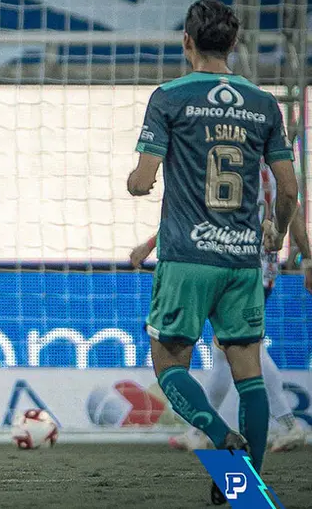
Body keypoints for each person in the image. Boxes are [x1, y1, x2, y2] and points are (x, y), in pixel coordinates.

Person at [127, 0, 298, 505]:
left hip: (186, 258)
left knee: (169, 365)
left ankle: (221, 438)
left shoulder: (169, 97)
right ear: (234, 43)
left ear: (187, 42)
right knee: (249, 375)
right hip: (243, 260)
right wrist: (277, 233)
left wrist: (136, 182)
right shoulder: (263, 104)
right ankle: (244, 488)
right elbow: (289, 189)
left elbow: (143, 180)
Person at [130, 162, 309, 454]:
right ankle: (201, 431)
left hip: (233, 262)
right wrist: (307, 259)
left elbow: (195, 211)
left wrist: (151, 244)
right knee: (227, 351)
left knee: (244, 349)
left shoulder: (234, 160)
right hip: (260, 267)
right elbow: (293, 205)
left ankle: (287, 425)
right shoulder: (274, 167)